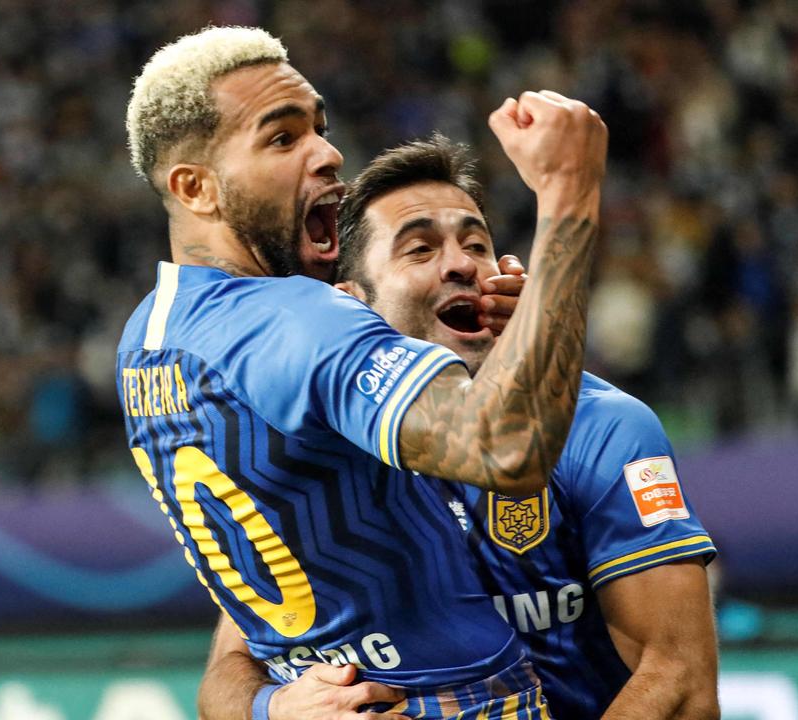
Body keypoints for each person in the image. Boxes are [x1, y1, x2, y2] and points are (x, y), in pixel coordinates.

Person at [118, 26, 605, 717]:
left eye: (319, 127)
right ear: (196, 188)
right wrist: (569, 195)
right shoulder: (296, 320)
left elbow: (235, 652)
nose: (328, 152)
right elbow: (507, 446)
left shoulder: (148, 339)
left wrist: (271, 710)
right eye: (282, 139)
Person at [197, 136, 719, 720]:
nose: (461, 264)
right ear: (349, 304)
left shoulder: (601, 427)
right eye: (419, 250)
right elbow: (228, 669)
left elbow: (682, 684)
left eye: (477, 245)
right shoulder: (313, 449)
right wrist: (274, 708)